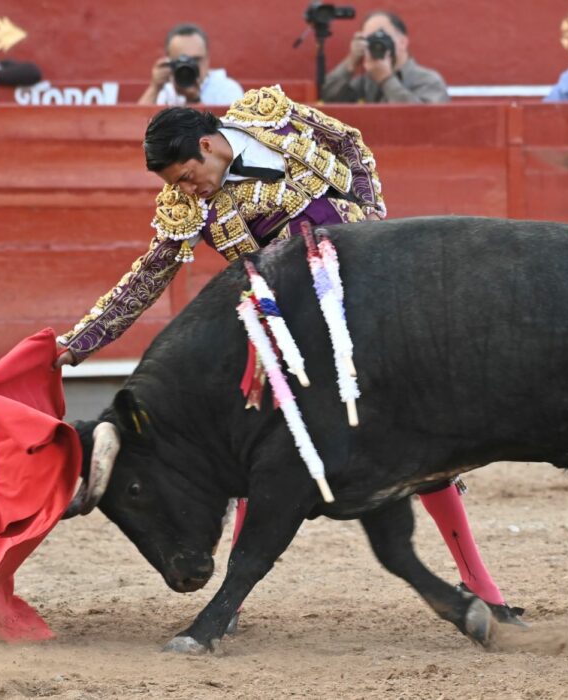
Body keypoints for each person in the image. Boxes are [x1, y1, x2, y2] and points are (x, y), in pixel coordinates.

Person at [54, 85, 525, 628]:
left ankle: (483, 588)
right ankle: (231, 606)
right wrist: (79, 342)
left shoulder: (270, 117)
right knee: (258, 452)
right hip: (294, 336)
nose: (186, 190)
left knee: (419, 446)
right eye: (176, 185)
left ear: (207, 145)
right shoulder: (187, 206)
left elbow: (350, 144)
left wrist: (372, 224)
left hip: (374, 310)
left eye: (186, 176)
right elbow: (148, 276)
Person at [321, 10, 449, 104]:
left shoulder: (429, 81)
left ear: (402, 42)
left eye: (383, 37)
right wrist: (351, 61)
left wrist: (386, 79)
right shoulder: (367, 80)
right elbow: (329, 99)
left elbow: (421, 119)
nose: (378, 44)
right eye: (371, 39)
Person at [137, 23, 243, 106]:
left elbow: (230, 127)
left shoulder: (227, 89)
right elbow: (137, 121)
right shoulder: (166, 89)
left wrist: (194, 100)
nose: (189, 66)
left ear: (207, 58)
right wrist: (155, 87)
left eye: (196, 60)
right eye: (182, 60)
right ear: (169, 60)